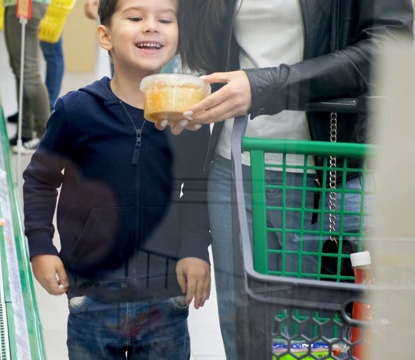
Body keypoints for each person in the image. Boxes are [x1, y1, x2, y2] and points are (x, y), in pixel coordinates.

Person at [166, 1, 415, 358]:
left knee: (319, 338)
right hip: (234, 166)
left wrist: (267, 86)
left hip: (326, 173)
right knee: (244, 330)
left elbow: (390, 45)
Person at [22, 0, 212, 358]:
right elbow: (40, 180)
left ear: (179, 34)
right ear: (105, 36)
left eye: (166, 19)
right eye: (136, 17)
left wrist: (195, 249)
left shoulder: (188, 119)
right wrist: (41, 246)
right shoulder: (77, 110)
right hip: (92, 296)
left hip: (166, 299)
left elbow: (198, 187)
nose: (151, 26)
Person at [3, 0, 51, 154]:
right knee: (21, 71)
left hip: (25, 4)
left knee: (28, 71)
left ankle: (46, 136)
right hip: (19, 4)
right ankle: (25, 132)